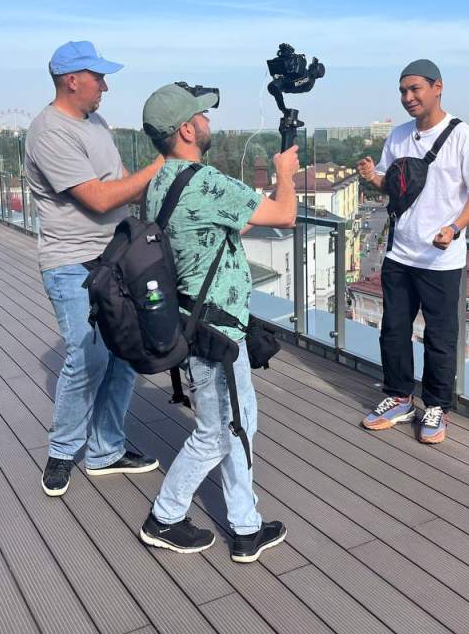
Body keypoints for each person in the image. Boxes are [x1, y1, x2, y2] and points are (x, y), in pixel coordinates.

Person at [137, 82, 299, 562]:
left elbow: (235, 222)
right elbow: (286, 215)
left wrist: (265, 193)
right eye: (203, 117)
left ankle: (245, 526)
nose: (209, 123)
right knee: (218, 431)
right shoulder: (205, 182)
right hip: (216, 331)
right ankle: (164, 517)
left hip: (195, 321)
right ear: (186, 129)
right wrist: (285, 173)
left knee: (237, 424)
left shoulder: (163, 184)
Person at [25, 41, 166, 497]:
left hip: (113, 256)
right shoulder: (49, 132)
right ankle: (63, 452)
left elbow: (122, 187)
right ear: (72, 80)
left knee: (125, 351)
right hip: (72, 262)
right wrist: (163, 163)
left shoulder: (96, 123)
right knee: (86, 357)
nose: (105, 85)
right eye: (98, 77)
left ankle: (106, 450)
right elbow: (101, 198)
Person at [356, 59, 469, 443]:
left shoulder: (464, 137)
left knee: (440, 336)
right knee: (394, 331)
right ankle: (399, 397)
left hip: (441, 259)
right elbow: (394, 186)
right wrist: (373, 178)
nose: (408, 97)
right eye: (403, 91)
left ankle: (436, 407)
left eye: (415, 89)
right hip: (400, 254)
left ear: (438, 87)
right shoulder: (399, 136)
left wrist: (454, 227)